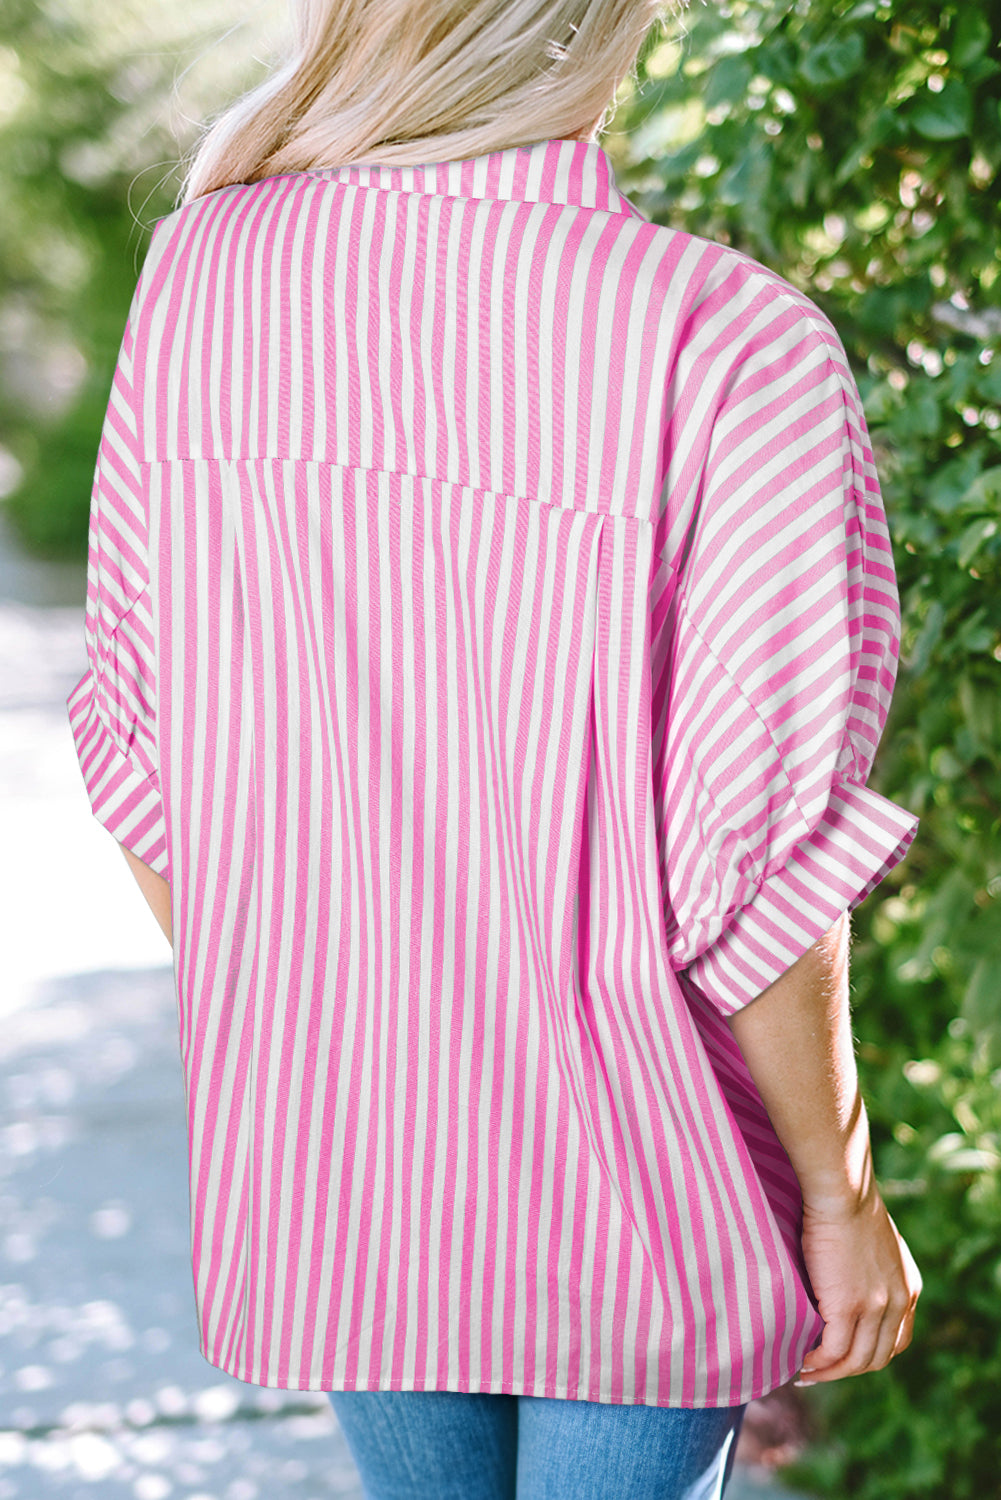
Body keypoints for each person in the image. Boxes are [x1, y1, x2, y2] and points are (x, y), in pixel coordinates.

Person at [67, 0, 922, 1493]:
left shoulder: (200, 274)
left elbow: (148, 762)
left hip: (338, 1158)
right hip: (634, 1175)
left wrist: (326, 1028)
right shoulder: (722, 337)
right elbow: (756, 866)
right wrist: (839, 1197)